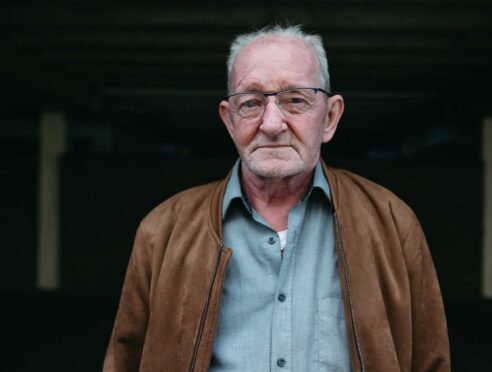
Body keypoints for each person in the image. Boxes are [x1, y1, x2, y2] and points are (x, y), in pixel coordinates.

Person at [103, 24, 450, 372]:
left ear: (330, 117)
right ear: (229, 120)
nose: (271, 124)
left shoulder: (392, 222)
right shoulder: (163, 230)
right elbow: (124, 361)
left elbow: (430, 361)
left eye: (295, 100)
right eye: (251, 103)